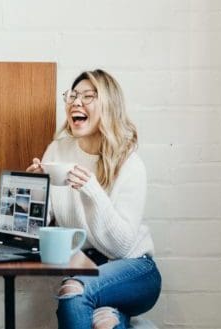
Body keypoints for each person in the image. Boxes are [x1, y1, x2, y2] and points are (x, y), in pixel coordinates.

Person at [27, 69, 161, 329]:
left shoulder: (128, 162)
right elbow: (43, 225)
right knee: (105, 322)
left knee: (73, 292)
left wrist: (92, 190)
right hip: (88, 267)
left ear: (108, 106)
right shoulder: (58, 150)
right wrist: (37, 189)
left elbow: (120, 248)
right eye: (73, 95)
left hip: (135, 269)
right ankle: (114, 314)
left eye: (88, 96)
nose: (77, 102)